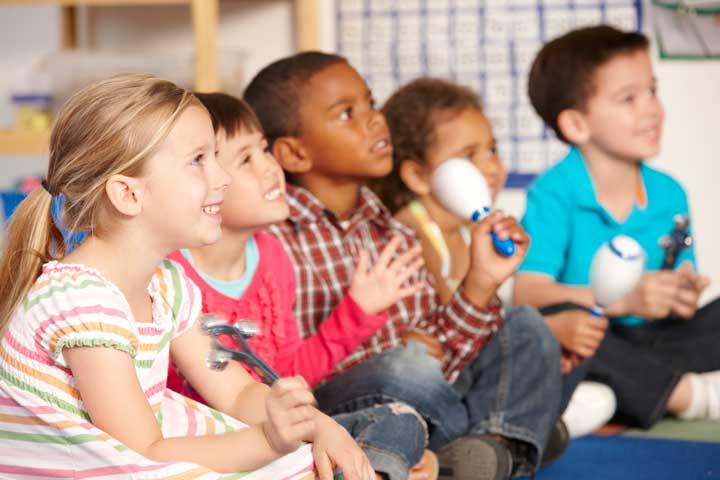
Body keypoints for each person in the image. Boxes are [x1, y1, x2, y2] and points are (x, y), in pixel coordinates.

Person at [0, 74, 376, 480]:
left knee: (311, 461)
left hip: (141, 450)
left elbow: (235, 392)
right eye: (198, 160)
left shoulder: (165, 284)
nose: (223, 178)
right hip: (106, 465)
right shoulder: (81, 302)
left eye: (215, 156)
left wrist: (319, 425)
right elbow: (142, 453)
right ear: (129, 194)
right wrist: (270, 441)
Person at [244, 52, 565, 480]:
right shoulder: (273, 239)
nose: (375, 120)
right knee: (405, 368)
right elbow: (284, 375)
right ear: (295, 154)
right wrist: (397, 351)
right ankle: (502, 439)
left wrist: (480, 284)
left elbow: (442, 355)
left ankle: (478, 452)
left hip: (425, 396)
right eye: (347, 113)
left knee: (524, 327)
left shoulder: (389, 231)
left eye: (371, 104)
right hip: (348, 410)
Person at [166, 92, 436, 480]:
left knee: (399, 419)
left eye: (263, 150)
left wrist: (357, 312)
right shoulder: (172, 274)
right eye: (245, 159)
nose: (270, 168)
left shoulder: (272, 255)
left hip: (275, 424)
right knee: (404, 381)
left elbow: (287, 373)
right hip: (223, 444)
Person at [375, 77, 616, 438]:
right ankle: (531, 425)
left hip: (471, 368)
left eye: (492, 149)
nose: (490, 166)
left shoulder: (467, 230)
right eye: (469, 156)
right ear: (417, 176)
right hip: (438, 380)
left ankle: (532, 421)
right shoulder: (411, 232)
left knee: (563, 332)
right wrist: (549, 331)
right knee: (538, 327)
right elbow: (452, 330)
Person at [514, 25, 720, 428]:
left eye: (652, 91)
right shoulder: (554, 192)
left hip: (655, 342)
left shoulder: (669, 193)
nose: (652, 109)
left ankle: (618, 395)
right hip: (593, 341)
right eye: (629, 98)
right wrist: (624, 301)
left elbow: (681, 280)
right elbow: (527, 293)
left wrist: (681, 295)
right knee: (551, 324)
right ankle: (684, 395)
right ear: (576, 125)